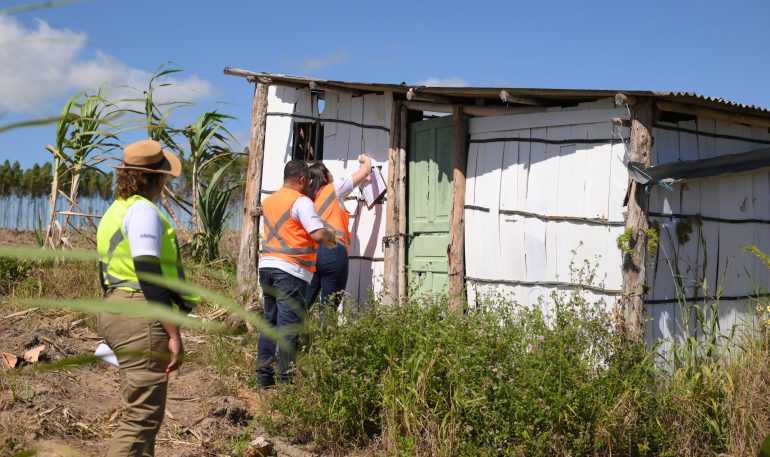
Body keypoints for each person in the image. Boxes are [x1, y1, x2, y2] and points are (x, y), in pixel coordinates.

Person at [96, 139, 198, 457]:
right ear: (157, 178)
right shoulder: (142, 210)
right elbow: (149, 273)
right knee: (140, 420)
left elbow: (106, 271)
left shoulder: (115, 210)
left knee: (140, 416)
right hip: (140, 315)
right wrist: (173, 333)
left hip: (119, 307)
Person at [256, 159, 336, 388]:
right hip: (290, 271)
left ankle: (264, 379)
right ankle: (286, 383)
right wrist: (331, 235)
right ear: (302, 180)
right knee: (289, 327)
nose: (310, 184)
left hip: (267, 267)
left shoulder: (269, 201)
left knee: (270, 323)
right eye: (309, 180)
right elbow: (317, 234)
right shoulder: (301, 202)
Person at [304, 154, 373, 321]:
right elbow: (365, 171)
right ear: (325, 176)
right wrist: (364, 159)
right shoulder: (332, 188)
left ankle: (288, 335)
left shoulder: (309, 200)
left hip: (312, 256)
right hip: (333, 252)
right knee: (328, 309)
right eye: (329, 172)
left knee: (302, 305)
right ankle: (323, 337)